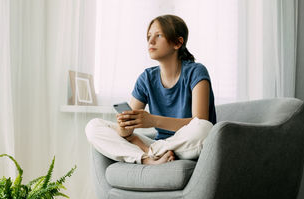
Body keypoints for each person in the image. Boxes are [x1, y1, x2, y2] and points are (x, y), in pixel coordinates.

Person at [86, 14, 216, 165]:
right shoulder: (146, 78)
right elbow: (127, 133)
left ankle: (150, 151)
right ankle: (148, 159)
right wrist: (124, 127)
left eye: (158, 35)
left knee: (204, 128)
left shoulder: (196, 72)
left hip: (187, 144)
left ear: (178, 43)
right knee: (93, 126)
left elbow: (199, 121)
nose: (150, 41)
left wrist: (152, 121)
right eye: (148, 36)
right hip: (163, 144)